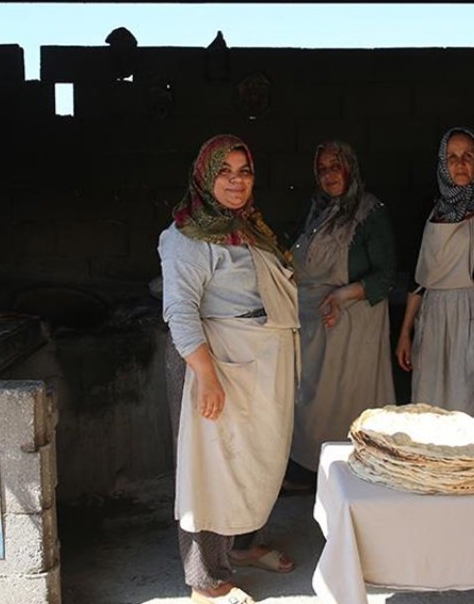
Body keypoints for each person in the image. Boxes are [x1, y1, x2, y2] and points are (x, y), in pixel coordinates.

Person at [158, 134, 300, 604]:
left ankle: (242, 547)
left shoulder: (247, 226)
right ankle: (205, 582)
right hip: (213, 363)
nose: (236, 181)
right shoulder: (187, 236)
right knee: (209, 471)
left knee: (247, 461)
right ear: (205, 176)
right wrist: (207, 376)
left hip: (252, 360)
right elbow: (180, 311)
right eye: (225, 171)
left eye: (245, 171)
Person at [287, 140, 397, 488]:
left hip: (351, 321)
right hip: (315, 324)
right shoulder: (319, 210)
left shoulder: (368, 212)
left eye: (336, 166)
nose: (329, 175)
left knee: (345, 403)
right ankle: (310, 471)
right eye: (322, 169)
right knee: (311, 401)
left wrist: (341, 293)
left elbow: (386, 274)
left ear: (350, 167)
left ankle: (351, 475)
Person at [396, 127, 474, 426]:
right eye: (452, 157)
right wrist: (405, 332)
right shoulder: (430, 209)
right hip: (433, 317)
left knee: (473, 404)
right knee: (430, 405)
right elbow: (418, 280)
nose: (460, 164)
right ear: (442, 164)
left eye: (467, 156)